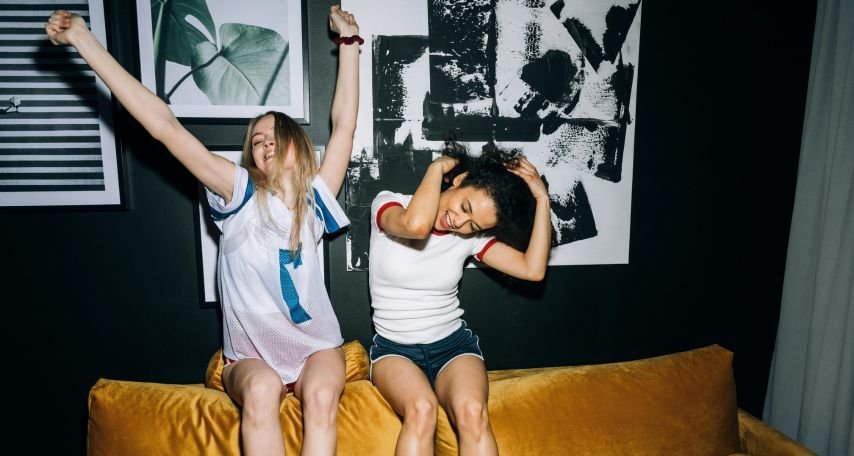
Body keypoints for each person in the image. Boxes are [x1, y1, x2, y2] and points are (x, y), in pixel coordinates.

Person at [46, 6, 360, 456]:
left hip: (315, 346)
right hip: (251, 355)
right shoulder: (238, 193)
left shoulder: (314, 200)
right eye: (257, 140)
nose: (265, 142)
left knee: (324, 395)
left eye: (275, 134)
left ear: (297, 144)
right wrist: (83, 40)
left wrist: (348, 43)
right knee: (261, 392)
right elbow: (165, 127)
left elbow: (344, 124)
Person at [368, 143, 552, 455]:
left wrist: (542, 198)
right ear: (459, 180)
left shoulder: (469, 239)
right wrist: (436, 167)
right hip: (394, 351)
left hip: (453, 347)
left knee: (472, 413)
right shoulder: (390, 204)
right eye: (465, 207)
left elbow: (532, 270)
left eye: (473, 225)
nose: (460, 223)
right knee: (421, 410)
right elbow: (417, 225)